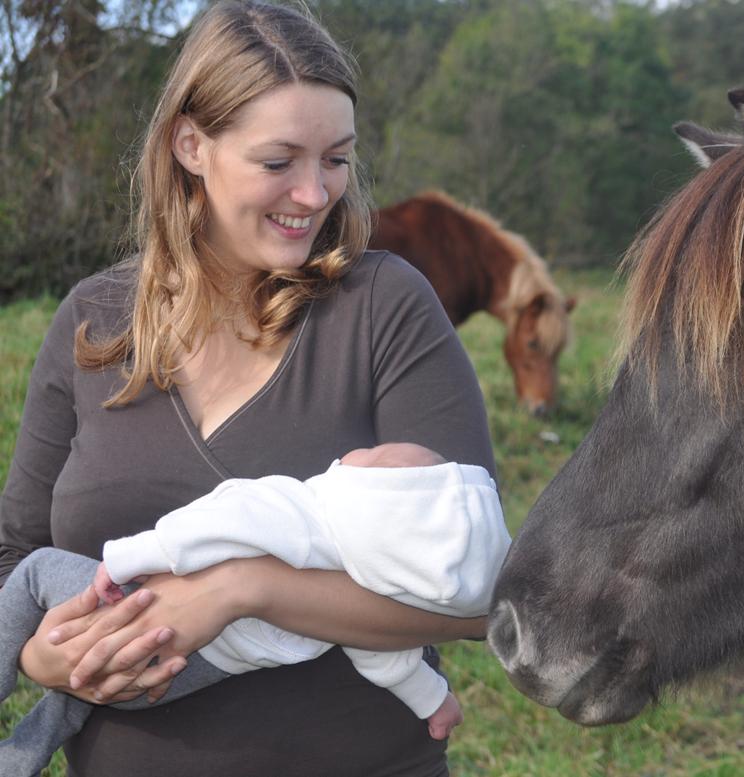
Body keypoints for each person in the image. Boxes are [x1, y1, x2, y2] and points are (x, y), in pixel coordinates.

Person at [0, 2, 496, 774]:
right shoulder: (90, 322)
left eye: (337, 158)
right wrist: (43, 659)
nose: (315, 193)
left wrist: (243, 588)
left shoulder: (383, 307)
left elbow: (472, 589)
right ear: (191, 145)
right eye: (279, 162)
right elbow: (17, 554)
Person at [0, 442, 511, 776]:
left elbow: (217, 521)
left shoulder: (304, 514)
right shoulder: (364, 586)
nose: (367, 450)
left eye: (378, 458)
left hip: (139, 612)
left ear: (376, 503)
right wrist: (434, 701)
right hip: (183, 674)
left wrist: (124, 559)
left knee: (38, 571)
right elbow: (389, 658)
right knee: (82, 693)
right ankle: (19, 758)